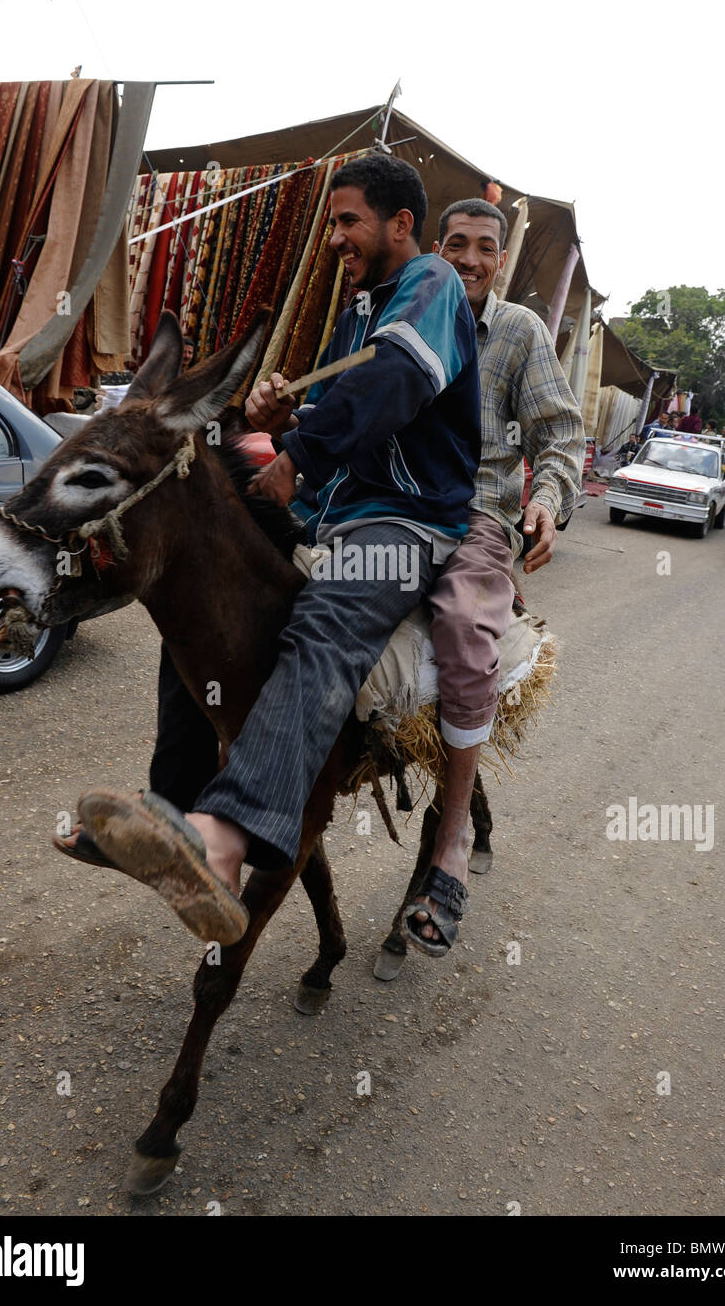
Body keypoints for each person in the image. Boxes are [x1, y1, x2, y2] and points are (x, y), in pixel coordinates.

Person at [69, 154, 482, 949]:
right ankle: (173, 812)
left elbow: (394, 382)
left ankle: (225, 843)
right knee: (203, 596)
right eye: (330, 223)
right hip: (339, 514)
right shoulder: (360, 309)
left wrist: (301, 453)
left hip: (407, 527)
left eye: (346, 220)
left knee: (322, 622)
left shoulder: (429, 283)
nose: (333, 238)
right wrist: (283, 414)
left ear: (401, 225)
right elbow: (333, 410)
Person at [398, 198, 584, 955]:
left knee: (462, 627)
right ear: (436, 248)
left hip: (473, 511)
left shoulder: (519, 331)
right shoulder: (402, 315)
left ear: (500, 260)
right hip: (389, 505)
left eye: (483, 247)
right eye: (456, 244)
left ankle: (447, 844)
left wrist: (544, 502)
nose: (469, 259)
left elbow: (560, 433)